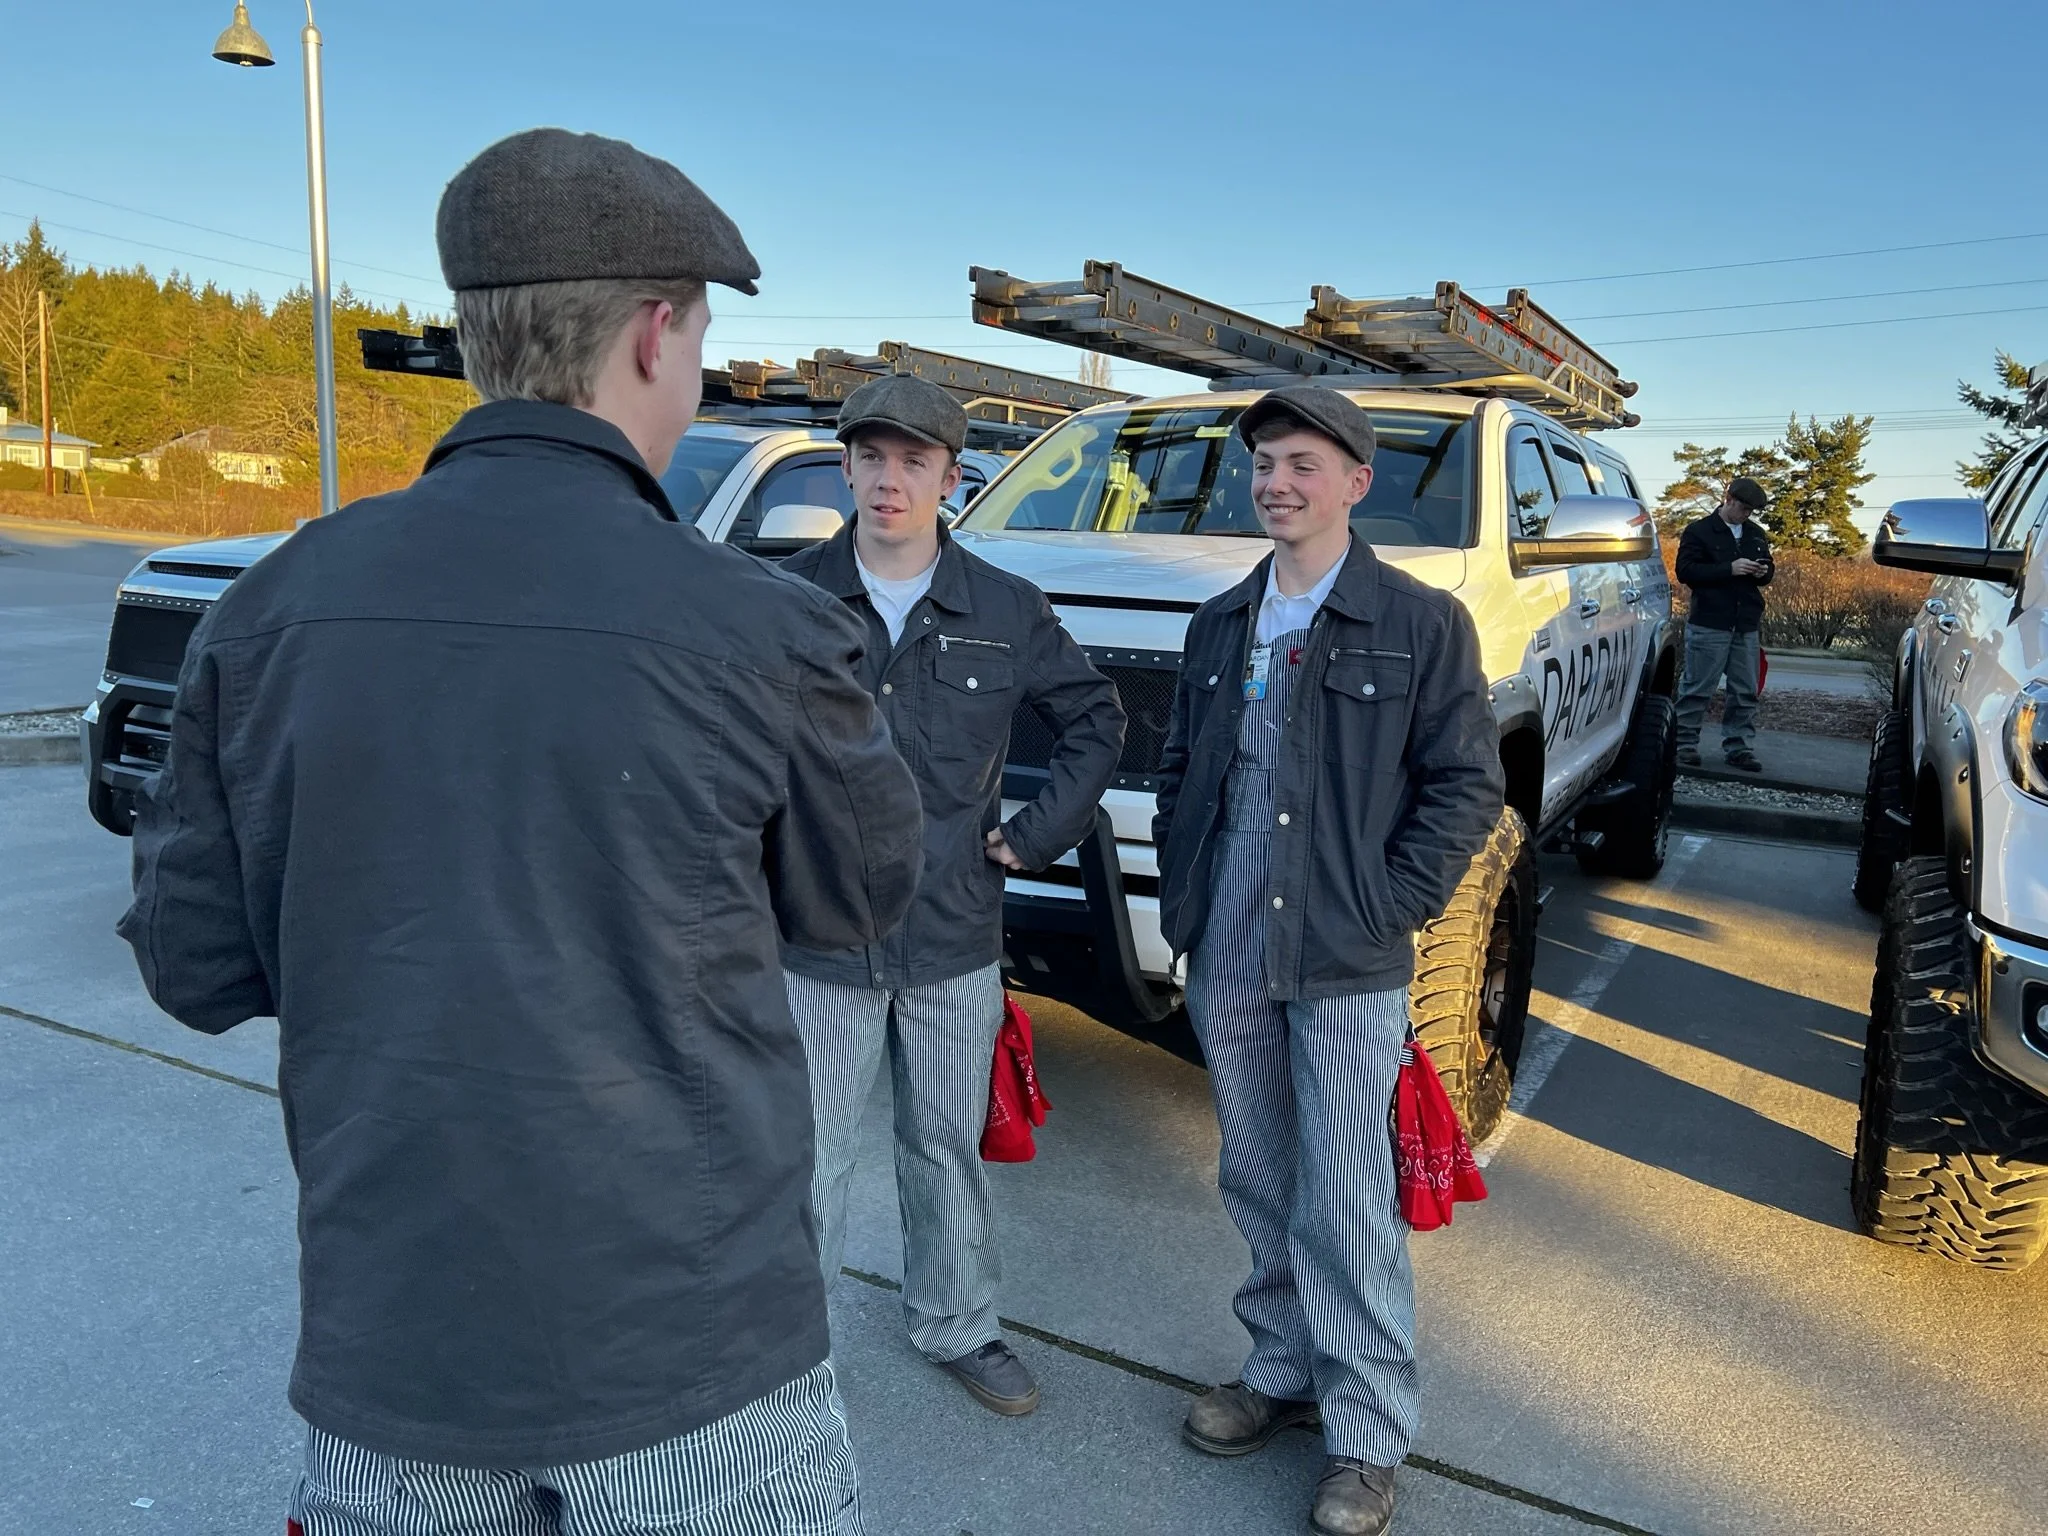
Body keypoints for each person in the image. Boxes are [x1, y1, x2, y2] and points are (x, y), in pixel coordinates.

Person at [116, 128, 925, 1536]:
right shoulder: (765, 631)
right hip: (692, 1357)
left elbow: (194, 971)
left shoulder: (267, 613)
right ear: (655, 336)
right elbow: (860, 901)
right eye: (699, 337)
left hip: (398, 1345)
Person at [1152, 386, 1502, 1536]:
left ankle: (1364, 1434)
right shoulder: (1218, 624)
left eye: (1301, 463)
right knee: (1255, 1165)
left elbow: (1465, 786)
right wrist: (1187, 889)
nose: (1275, 483)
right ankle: (1278, 1371)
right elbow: (1178, 767)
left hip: (1346, 932)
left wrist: (1390, 905)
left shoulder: (1418, 623)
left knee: (1345, 1191)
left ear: (1356, 482)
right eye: (1261, 464)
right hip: (1230, 923)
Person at [780, 374, 1125, 1419]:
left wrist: (1029, 838)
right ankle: (784, 1356)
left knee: (940, 1145)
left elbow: (1095, 722)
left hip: (951, 935)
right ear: (844, 466)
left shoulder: (1005, 609)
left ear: (949, 476)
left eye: (912, 461)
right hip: (818, 940)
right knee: (800, 1157)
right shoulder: (787, 601)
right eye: (870, 458)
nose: (889, 479)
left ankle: (955, 1323)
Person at [1674, 476, 1775, 772]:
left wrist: (1762, 572)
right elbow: (1686, 571)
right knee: (1697, 687)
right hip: (1710, 621)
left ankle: (1739, 746)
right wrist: (1728, 569)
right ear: (1727, 499)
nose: (1746, 515)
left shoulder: (1755, 533)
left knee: (1745, 690)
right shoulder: (1699, 531)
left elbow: (1768, 570)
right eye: (1743, 508)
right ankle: (1684, 744)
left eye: (1751, 511)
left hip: (1745, 623)